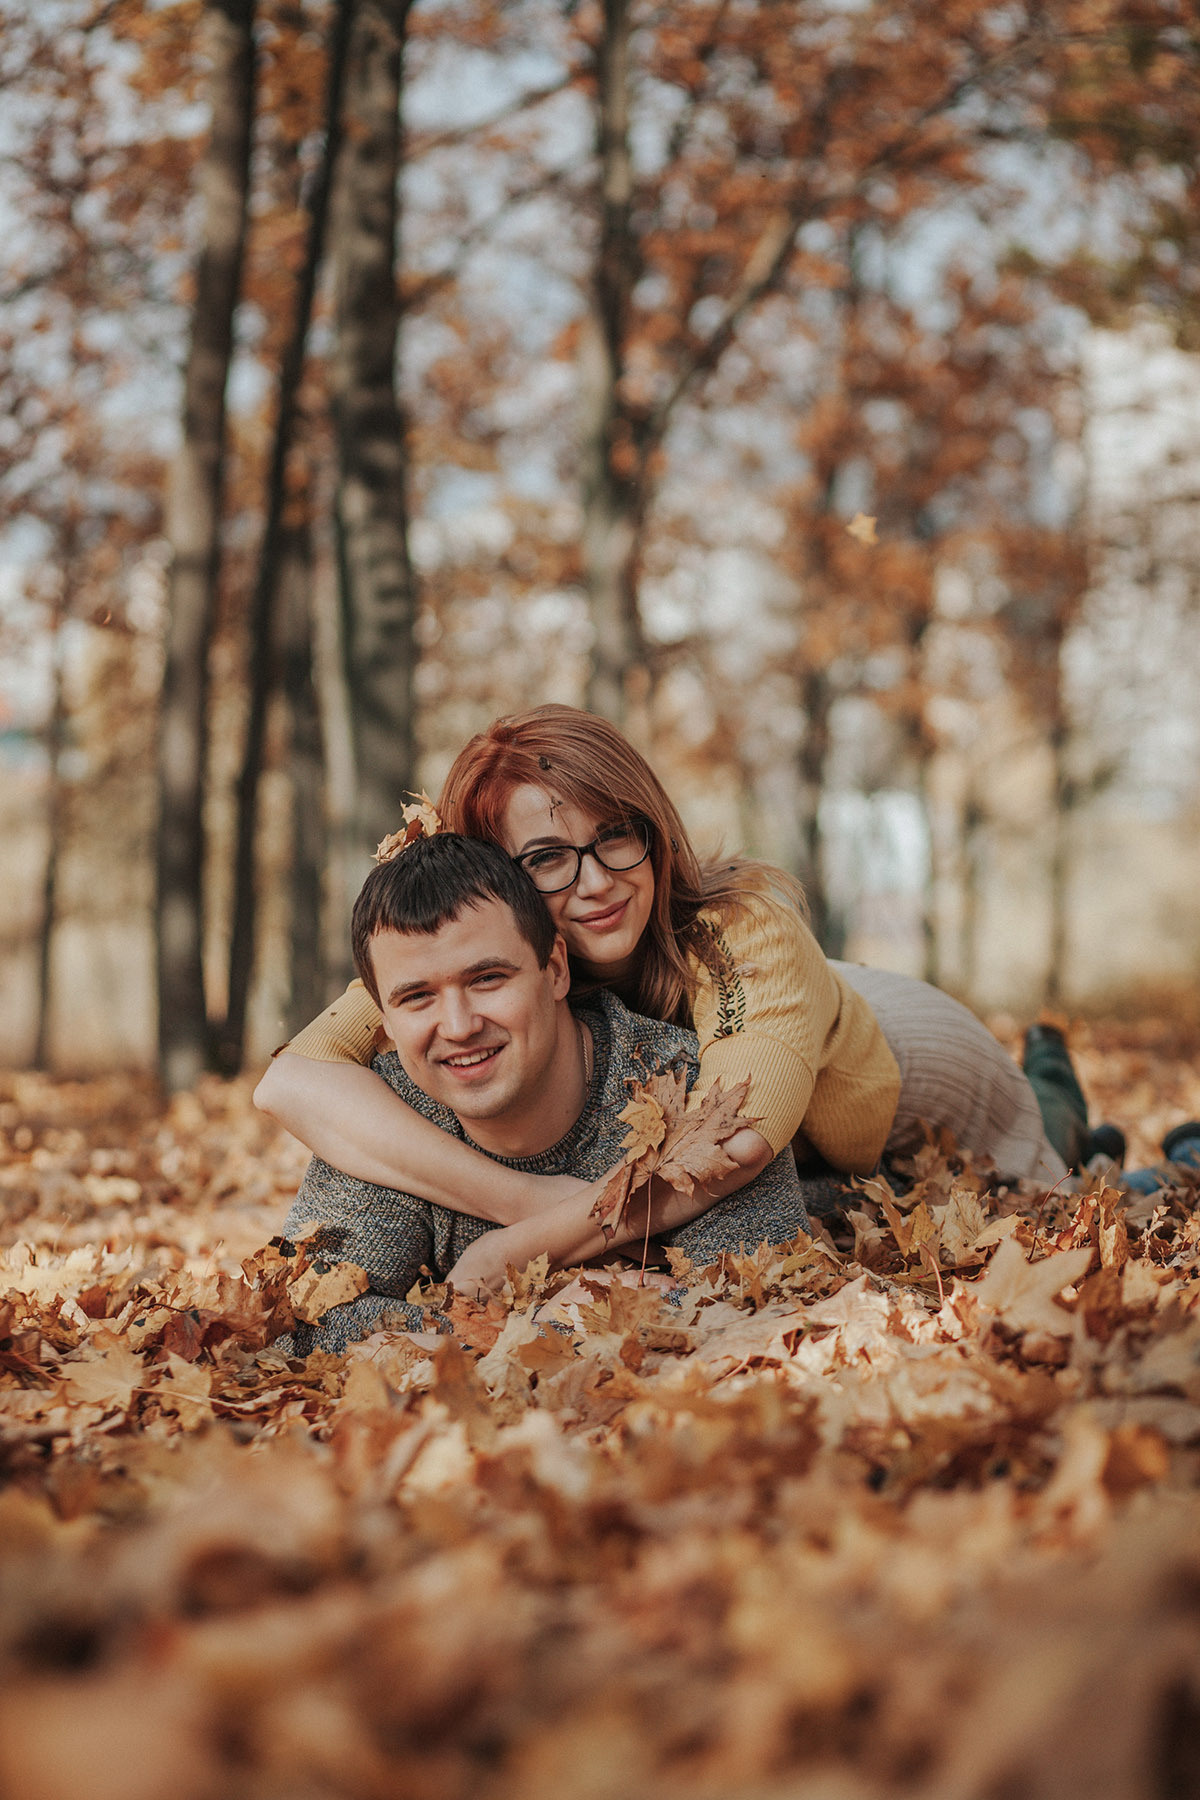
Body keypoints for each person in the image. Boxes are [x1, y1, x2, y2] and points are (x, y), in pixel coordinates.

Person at [256, 706, 1081, 1241]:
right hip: (824, 1103)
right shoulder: (479, 951)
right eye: (546, 858)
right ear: (494, 880)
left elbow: (740, 1144)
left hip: (924, 1069)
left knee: (1067, 1161)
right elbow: (290, 1084)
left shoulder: (739, 929)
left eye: (617, 835)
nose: (598, 882)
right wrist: (520, 1204)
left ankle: (1053, 1071)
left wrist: (527, 1241)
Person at [280, 833, 821, 1354]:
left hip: (842, 1055)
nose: (460, 1025)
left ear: (556, 969)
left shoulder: (684, 1092)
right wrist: (535, 1329)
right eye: (417, 997)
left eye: (487, 979)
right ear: (385, 1021)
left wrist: (518, 1320)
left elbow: (761, 1295)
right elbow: (309, 1316)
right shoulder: (380, 1115)